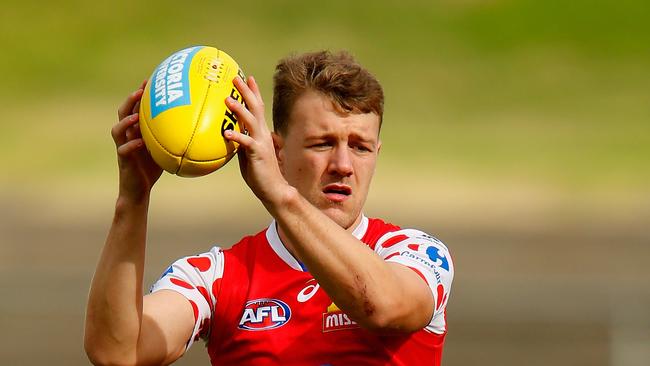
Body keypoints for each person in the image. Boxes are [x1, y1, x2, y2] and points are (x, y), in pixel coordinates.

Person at [84, 50, 454, 365]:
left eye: (360, 146)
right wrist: (132, 201)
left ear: (376, 154)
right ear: (275, 150)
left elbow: (382, 306)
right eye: (322, 144)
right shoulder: (217, 277)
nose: (343, 164)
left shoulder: (415, 253)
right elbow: (118, 353)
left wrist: (279, 195)